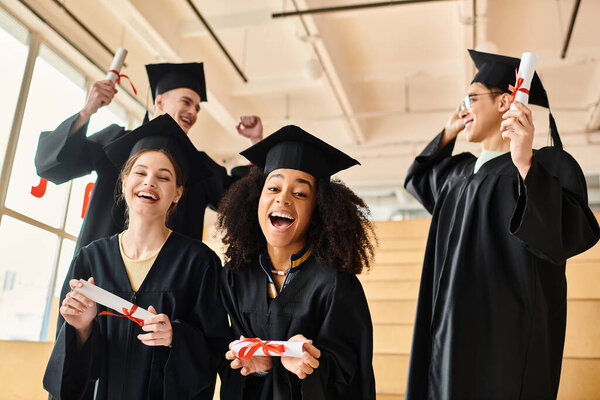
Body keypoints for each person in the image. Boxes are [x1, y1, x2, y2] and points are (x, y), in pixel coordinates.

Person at [404, 49, 600, 400]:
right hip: (446, 333)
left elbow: (564, 236)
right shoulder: (457, 174)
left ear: (505, 101)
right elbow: (417, 177)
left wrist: (525, 163)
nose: (463, 108)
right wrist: (447, 133)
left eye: (471, 97)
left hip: (500, 345)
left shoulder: (545, 166)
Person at [43, 114, 231, 400]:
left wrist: (176, 339)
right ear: (124, 181)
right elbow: (69, 364)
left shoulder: (199, 262)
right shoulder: (92, 258)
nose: (149, 182)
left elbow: (217, 350)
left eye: (164, 177)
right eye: (140, 173)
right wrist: (81, 329)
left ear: (178, 193)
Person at [217, 125, 377, 399]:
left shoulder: (335, 283)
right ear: (257, 199)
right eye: (274, 188)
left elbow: (351, 370)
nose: (283, 198)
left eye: (300, 193)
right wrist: (259, 369)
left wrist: (312, 366)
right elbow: (223, 359)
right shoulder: (235, 277)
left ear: (319, 210)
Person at [35, 62, 263, 251]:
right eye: (186, 102)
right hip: (98, 280)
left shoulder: (199, 165)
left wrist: (256, 143)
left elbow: (243, 200)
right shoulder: (114, 142)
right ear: (159, 102)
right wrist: (88, 109)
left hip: (167, 293)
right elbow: (52, 166)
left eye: (197, 108)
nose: (193, 112)